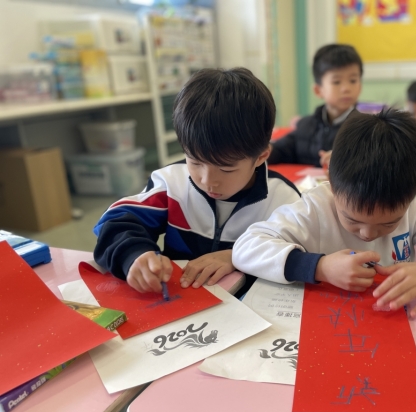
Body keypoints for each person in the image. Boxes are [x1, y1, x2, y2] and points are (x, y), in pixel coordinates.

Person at [233, 109, 416, 317]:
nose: (367, 234)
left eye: (389, 224)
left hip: (393, 320)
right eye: (352, 219)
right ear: (333, 184)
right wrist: (320, 267)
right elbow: (245, 248)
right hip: (326, 318)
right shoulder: (315, 207)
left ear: (413, 194)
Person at [93, 68, 300, 294]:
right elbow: (116, 223)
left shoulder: (282, 198)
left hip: (252, 306)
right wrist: (134, 255)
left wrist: (237, 256)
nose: (208, 180)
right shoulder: (172, 184)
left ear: (261, 156)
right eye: (195, 162)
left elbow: (301, 253)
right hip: (179, 304)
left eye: (226, 169)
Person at [268, 43, 363, 170]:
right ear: (318, 90)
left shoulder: (365, 129)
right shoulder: (306, 126)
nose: (346, 88)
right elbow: (280, 151)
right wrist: (261, 149)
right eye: (336, 82)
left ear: (360, 86)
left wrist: (344, 161)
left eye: (353, 80)